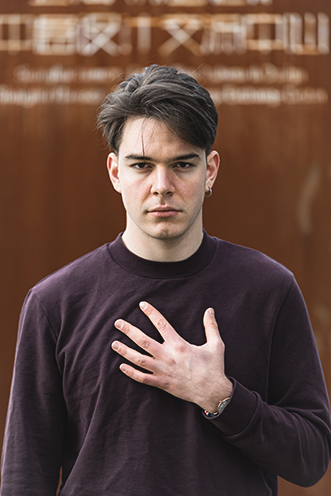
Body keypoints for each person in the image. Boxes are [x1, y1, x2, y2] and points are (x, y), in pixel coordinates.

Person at [1, 65, 330, 496]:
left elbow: (310, 460)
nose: (162, 186)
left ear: (209, 170)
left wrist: (220, 396)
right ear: (116, 172)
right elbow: (26, 474)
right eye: (142, 165)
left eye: (182, 164)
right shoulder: (55, 302)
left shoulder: (269, 289)